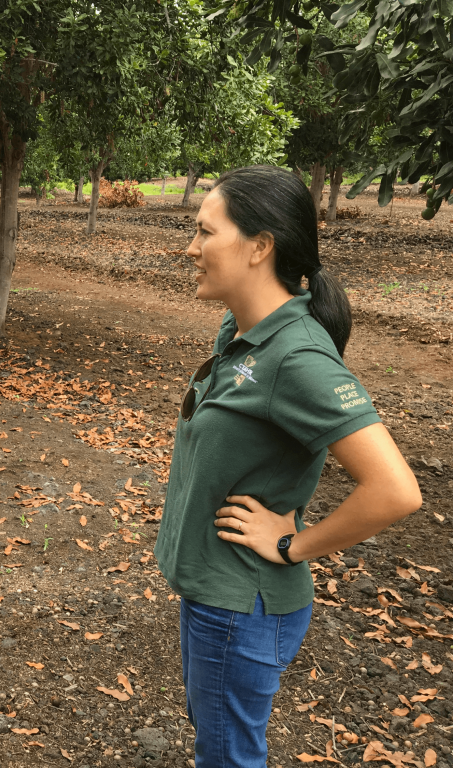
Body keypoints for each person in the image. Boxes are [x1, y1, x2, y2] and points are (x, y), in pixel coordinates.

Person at [154, 165, 420, 767]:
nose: (189, 248)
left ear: (260, 246)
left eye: (204, 232)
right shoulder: (244, 329)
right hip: (216, 595)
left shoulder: (296, 357)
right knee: (219, 744)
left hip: (239, 607)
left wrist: (294, 544)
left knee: (227, 758)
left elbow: (396, 490)